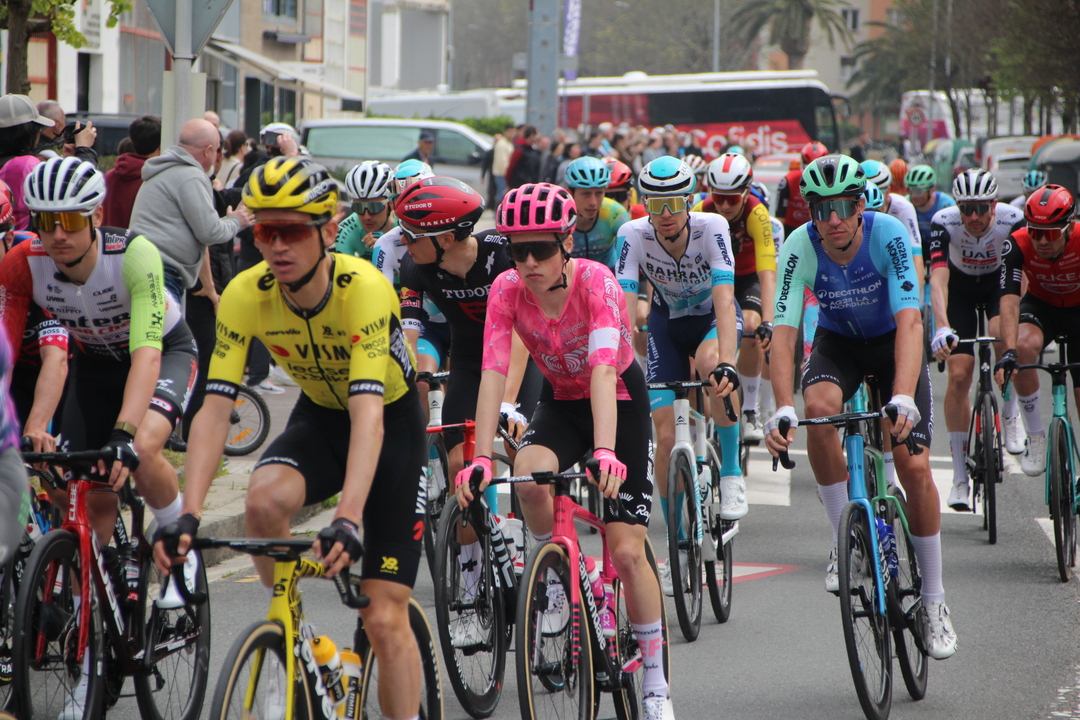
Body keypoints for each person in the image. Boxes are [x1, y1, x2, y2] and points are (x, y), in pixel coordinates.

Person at [152, 156, 428, 720]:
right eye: (265, 231)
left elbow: (369, 416)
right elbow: (214, 409)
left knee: (382, 616)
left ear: (328, 231)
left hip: (390, 427)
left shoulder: (365, 290)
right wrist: (189, 514)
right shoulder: (245, 293)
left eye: (294, 231)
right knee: (261, 503)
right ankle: (293, 635)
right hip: (321, 417)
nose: (277, 246)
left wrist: (346, 518)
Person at [456, 182, 675, 720]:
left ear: (567, 243)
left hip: (618, 402)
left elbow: (603, 371)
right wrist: (480, 457)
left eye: (541, 249)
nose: (529, 262)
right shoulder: (506, 289)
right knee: (529, 476)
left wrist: (605, 451)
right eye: (518, 250)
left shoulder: (597, 283)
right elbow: (492, 373)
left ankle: (655, 681)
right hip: (560, 402)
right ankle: (556, 573)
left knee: (626, 551)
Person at [0, 159, 199, 713]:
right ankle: (95, 625)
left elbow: (148, 354)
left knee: (140, 450)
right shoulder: (22, 264)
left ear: (94, 215)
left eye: (68, 219)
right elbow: (7, 356)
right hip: (94, 367)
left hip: (161, 356)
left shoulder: (133, 255)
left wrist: (125, 434)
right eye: (45, 221)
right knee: (81, 491)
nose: (57, 234)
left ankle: (179, 544)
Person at [763, 154, 957, 660]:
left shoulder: (887, 233)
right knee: (818, 410)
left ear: (861, 205)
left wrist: (902, 394)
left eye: (844, 207)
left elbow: (911, 321)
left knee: (914, 467)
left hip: (894, 343)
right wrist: (781, 406)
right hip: (840, 345)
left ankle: (934, 601)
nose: (833, 219)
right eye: (821, 209)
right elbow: (783, 333)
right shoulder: (800, 245)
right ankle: (844, 540)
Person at [614, 157, 743, 596]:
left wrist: (728, 361)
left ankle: (731, 472)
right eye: (655, 203)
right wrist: (619, 366)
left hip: (710, 321)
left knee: (711, 365)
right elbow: (624, 308)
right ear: (644, 204)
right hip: (666, 326)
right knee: (665, 436)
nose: (666, 213)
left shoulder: (712, 227)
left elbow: (724, 298)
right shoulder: (632, 234)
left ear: (690, 200)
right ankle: (676, 544)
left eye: (674, 202)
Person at [395, 177, 526, 482]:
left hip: (519, 357)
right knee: (460, 466)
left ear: (447, 240)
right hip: (469, 361)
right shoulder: (414, 266)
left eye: (412, 235)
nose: (403, 240)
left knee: (522, 455)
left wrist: (507, 401)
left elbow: (522, 333)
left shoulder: (503, 254)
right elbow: (408, 336)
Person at [928, 169, 1025, 509]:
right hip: (961, 290)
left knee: (1002, 336)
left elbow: (1022, 277)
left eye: (981, 208)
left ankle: (1010, 413)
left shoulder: (1013, 219)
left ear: (994, 205)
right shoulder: (943, 222)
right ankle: (959, 477)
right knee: (958, 375)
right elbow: (938, 280)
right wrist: (942, 327)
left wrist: (1016, 325)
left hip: (999, 285)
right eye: (966, 208)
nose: (973, 217)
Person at [995, 185, 1080, 477]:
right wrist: (1008, 352)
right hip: (1042, 304)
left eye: (1051, 233)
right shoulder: (1017, 243)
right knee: (1021, 346)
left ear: (1069, 228)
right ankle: (1035, 435)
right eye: (1035, 231)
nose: (1042, 241)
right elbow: (1009, 300)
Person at [693, 153, 776, 440]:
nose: (725, 205)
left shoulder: (756, 213)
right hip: (711, 281)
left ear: (746, 192)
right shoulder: (700, 210)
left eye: (732, 199)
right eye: (719, 197)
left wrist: (768, 321)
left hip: (747, 278)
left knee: (752, 327)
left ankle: (750, 410)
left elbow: (768, 273)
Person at [129, 117, 252, 301]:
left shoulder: (165, 169)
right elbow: (210, 232)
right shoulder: (190, 176)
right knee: (162, 321)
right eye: (217, 150)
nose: (218, 156)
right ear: (208, 150)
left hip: (143, 266)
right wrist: (237, 220)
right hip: (162, 273)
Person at [861, 159, 925, 285]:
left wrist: (916, 293)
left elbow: (915, 255)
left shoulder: (903, 207)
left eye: (879, 194)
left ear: (889, 190)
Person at [563, 156, 630, 270]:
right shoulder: (560, 216)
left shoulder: (615, 214)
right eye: (586, 194)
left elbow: (628, 264)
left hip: (608, 274)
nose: (593, 202)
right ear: (570, 193)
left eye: (599, 193)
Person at [102, 115, 161, 229]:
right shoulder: (154, 180)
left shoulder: (108, 177)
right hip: (139, 240)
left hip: (107, 239)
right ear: (160, 147)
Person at [335, 160, 396, 261]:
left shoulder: (405, 224)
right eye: (358, 207)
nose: (366, 216)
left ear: (391, 204)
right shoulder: (345, 230)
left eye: (374, 207)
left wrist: (390, 247)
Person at [777, 141, 828, 238]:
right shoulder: (789, 180)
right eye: (809, 166)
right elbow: (779, 218)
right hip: (791, 230)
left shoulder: (832, 182)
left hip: (820, 229)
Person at [905, 164, 956, 260]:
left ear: (932, 189)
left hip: (941, 246)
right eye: (910, 190)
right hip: (917, 246)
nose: (913, 196)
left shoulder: (946, 204)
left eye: (918, 191)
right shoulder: (905, 204)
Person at [34, 100, 98, 164]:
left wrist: (67, 158)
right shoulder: (47, 154)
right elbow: (86, 169)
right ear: (56, 124)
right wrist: (84, 148)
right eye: (64, 120)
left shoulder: (33, 145)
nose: (65, 125)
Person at [506, 125, 541, 190]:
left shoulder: (532, 150)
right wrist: (509, 184)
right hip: (519, 184)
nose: (538, 137)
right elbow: (511, 167)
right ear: (531, 135)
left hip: (529, 185)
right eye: (537, 134)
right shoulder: (520, 150)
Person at [491, 124, 516, 204]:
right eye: (510, 132)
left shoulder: (509, 143)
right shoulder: (502, 144)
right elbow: (502, 162)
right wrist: (508, 174)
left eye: (513, 132)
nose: (512, 134)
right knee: (502, 195)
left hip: (505, 174)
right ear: (505, 132)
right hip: (502, 174)